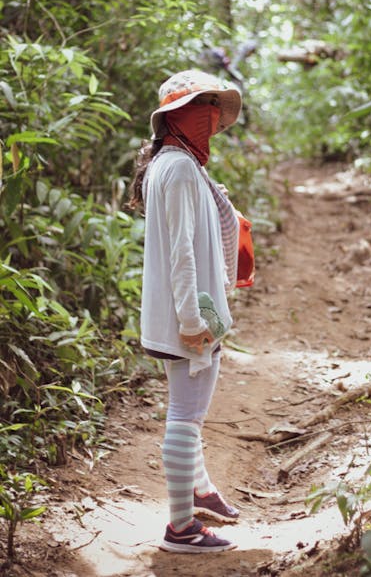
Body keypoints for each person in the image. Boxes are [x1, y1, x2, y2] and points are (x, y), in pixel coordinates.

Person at [129, 69, 243, 553]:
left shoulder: (180, 164)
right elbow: (181, 253)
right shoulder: (176, 168)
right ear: (176, 116)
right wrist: (194, 324)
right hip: (186, 316)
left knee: (189, 408)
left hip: (190, 312)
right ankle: (181, 528)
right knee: (186, 415)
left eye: (214, 105)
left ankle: (198, 490)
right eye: (203, 104)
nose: (211, 115)